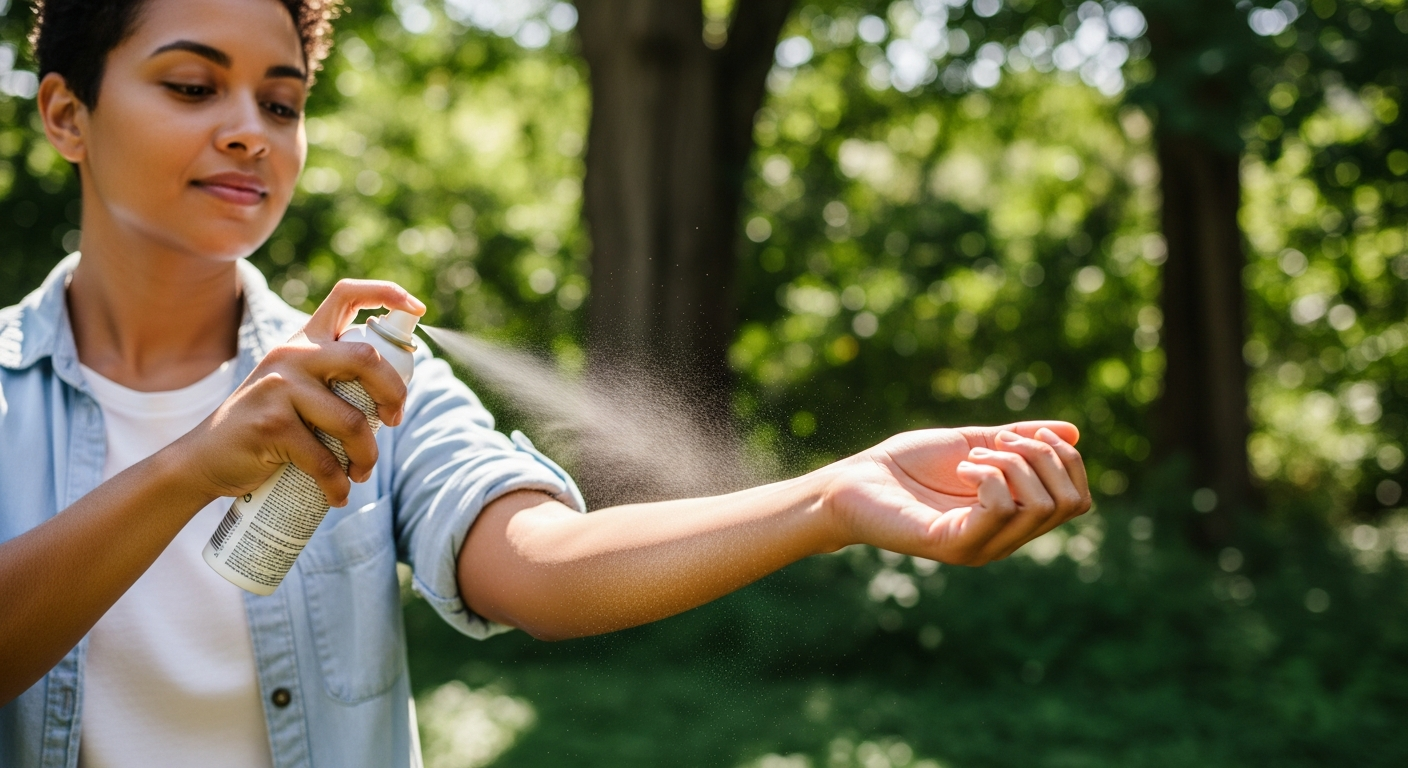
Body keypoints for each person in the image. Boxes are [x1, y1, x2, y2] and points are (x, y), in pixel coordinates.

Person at [0, 0, 1093, 765]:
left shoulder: (367, 384)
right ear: (65, 114)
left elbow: (542, 568)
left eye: (281, 102)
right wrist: (191, 467)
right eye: (193, 84)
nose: (248, 130)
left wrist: (830, 498)